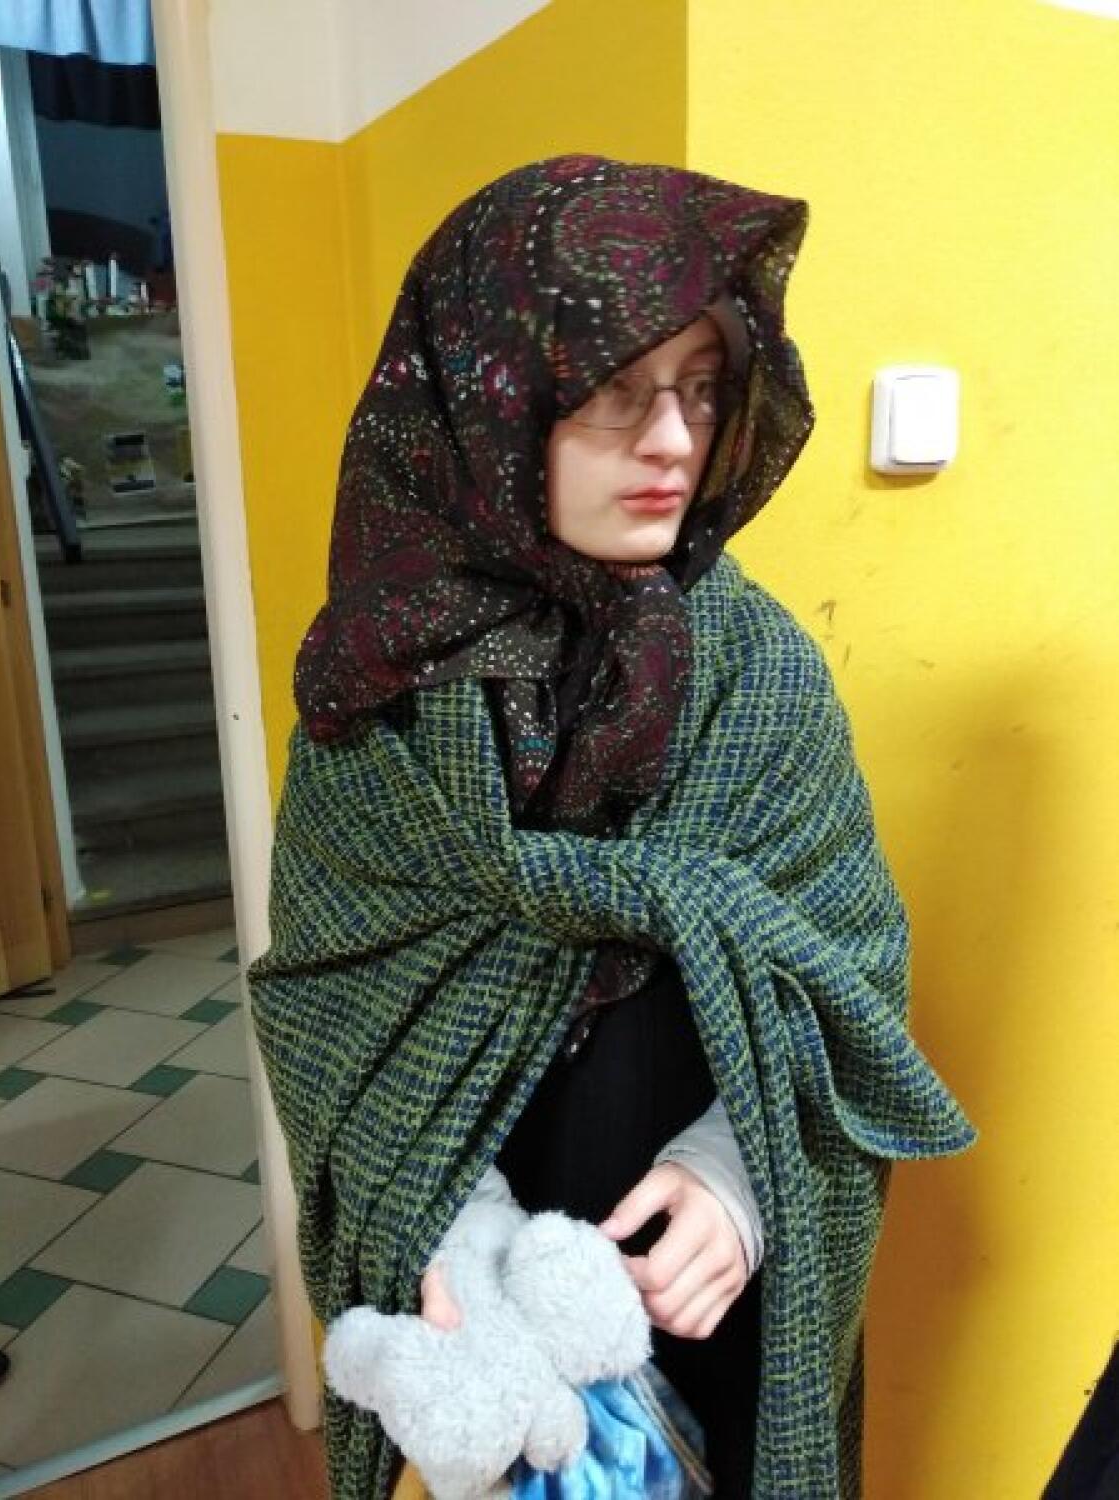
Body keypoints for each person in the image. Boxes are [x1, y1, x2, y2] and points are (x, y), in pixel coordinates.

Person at [248, 155, 975, 1500]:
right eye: (613, 390)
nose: (674, 442)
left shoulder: (757, 673)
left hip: (710, 1273)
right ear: (486, 399)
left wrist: (738, 1183)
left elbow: (848, 963)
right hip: (482, 1260)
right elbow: (326, 1004)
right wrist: (452, 1225)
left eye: (700, 389)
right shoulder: (378, 689)